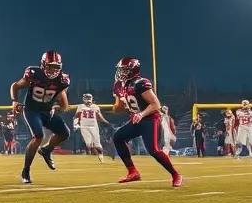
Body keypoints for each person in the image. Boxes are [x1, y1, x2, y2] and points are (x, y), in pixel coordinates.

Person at [111, 57, 181, 187]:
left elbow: (156, 104)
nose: (121, 73)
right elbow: (119, 107)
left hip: (149, 119)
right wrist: (117, 105)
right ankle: (133, 172)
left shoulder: (141, 83)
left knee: (153, 150)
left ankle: (175, 174)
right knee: (118, 137)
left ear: (133, 70)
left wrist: (141, 114)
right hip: (136, 119)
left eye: (124, 70)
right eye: (120, 70)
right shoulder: (119, 85)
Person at [10, 51, 72, 184]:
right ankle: (25, 172)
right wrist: (15, 101)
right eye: (49, 66)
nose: (52, 70)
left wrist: (61, 104)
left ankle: (46, 150)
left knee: (65, 133)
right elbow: (16, 86)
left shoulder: (63, 80)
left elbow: (63, 102)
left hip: (48, 112)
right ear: (43, 65)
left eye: (55, 67)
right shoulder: (34, 74)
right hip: (32, 111)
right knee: (38, 136)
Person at [73, 93, 110, 163]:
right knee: (88, 143)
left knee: (97, 143)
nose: (88, 101)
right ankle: (90, 153)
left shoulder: (95, 107)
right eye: (87, 99)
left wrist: (107, 122)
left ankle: (101, 156)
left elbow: (99, 116)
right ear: (84, 99)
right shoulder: (81, 107)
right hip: (84, 126)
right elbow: (76, 116)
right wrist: (75, 124)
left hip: (93, 126)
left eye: (89, 99)